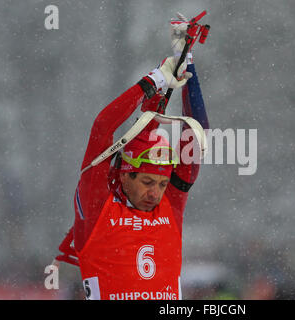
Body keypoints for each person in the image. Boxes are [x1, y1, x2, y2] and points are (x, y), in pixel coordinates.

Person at [55, 15, 209, 300]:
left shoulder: (169, 207)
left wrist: (186, 64)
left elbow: (198, 133)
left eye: (162, 185)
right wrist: (157, 79)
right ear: (126, 175)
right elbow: (103, 127)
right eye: (148, 182)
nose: (156, 194)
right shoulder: (97, 206)